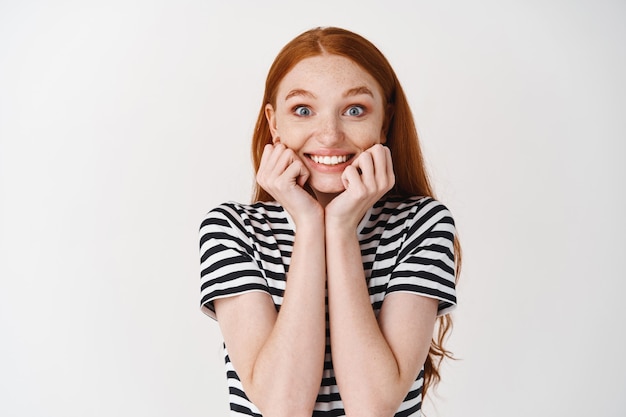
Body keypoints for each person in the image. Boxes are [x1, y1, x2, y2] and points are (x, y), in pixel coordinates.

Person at [199, 26, 460, 417]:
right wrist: (308, 223)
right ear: (274, 123)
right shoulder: (232, 230)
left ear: (384, 122)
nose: (329, 135)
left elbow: (373, 407)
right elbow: (281, 408)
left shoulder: (421, 224)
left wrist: (339, 229)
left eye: (355, 110)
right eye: (303, 110)